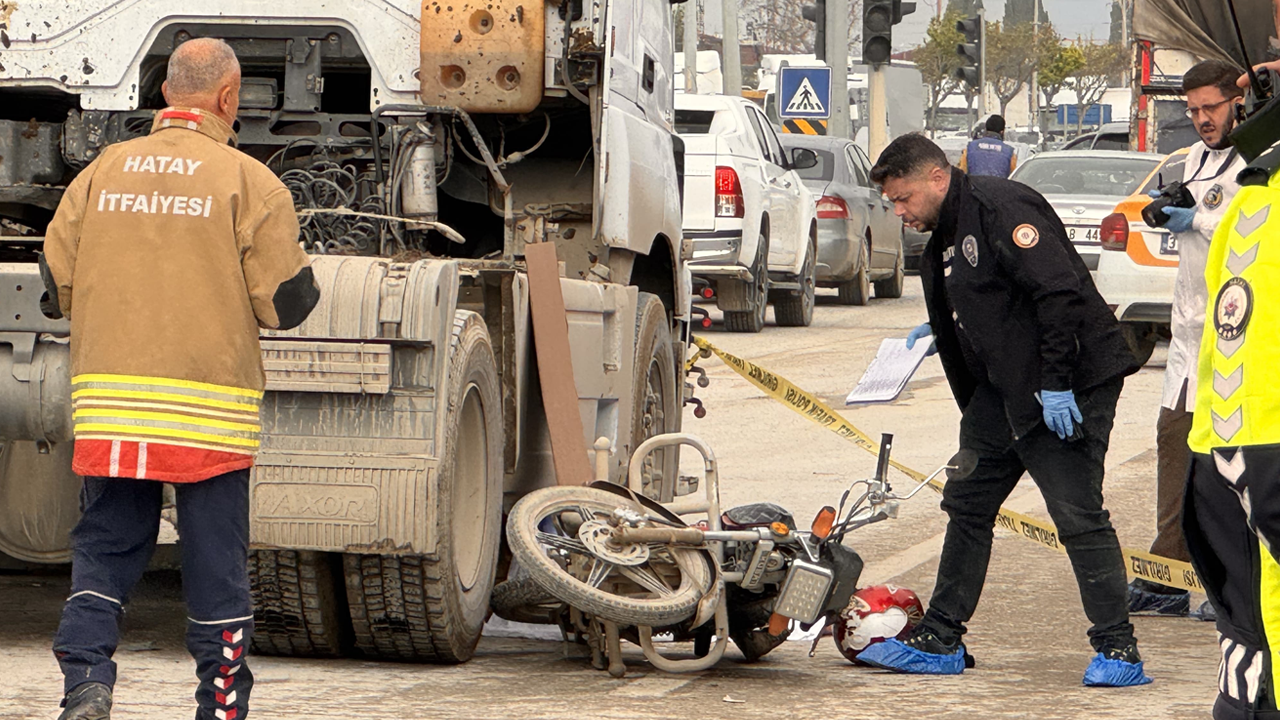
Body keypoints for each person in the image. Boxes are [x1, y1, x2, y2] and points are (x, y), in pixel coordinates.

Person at [39, 38, 320, 720]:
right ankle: (219, 708)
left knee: (104, 551)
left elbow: (54, 287)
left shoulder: (101, 171)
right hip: (206, 417)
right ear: (228, 98)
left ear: (165, 94)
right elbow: (285, 305)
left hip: (112, 410)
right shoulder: (250, 183)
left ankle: (86, 685)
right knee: (215, 569)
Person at [854, 133, 1149, 687]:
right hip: (1004, 389)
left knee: (1077, 513)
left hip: (1069, 382)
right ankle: (941, 637)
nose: (899, 211)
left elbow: (1058, 294)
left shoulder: (1001, 207)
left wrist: (1057, 384)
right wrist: (943, 334)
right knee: (967, 502)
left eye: (904, 198)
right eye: (892, 202)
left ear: (937, 178)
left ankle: (1119, 650)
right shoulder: (943, 232)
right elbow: (984, 305)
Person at [1127, 59, 1247, 621]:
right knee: (1174, 446)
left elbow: (1256, 228)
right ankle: (1167, 578)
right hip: (1187, 336)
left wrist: (1194, 220)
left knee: (1225, 466)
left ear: (1237, 102)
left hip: (1238, 336)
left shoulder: (1257, 163)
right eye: (1193, 110)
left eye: (1211, 108)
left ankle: (1227, 586)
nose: (1202, 119)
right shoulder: (1194, 160)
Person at [1180, 56, 1280, 720]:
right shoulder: (1247, 195)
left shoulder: (1250, 198)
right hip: (1243, 441)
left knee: (1248, 619)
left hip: (1241, 441)